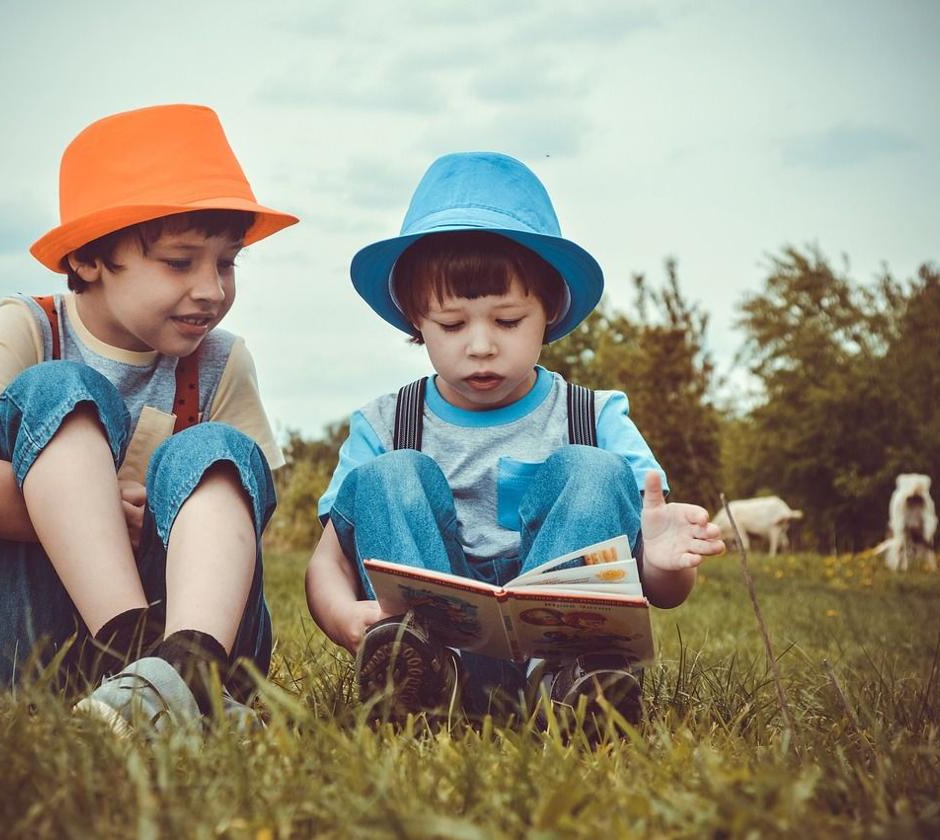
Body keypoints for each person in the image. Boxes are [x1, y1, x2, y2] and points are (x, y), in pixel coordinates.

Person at [304, 151, 725, 728]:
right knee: (389, 475)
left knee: (593, 469)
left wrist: (664, 562)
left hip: (566, 650)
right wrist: (344, 617)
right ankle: (418, 683)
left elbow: (663, 589)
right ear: (414, 319)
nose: (480, 346)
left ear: (549, 310)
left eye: (507, 321)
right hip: (433, 649)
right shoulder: (383, 423)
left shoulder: (595, 416)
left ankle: (573, 689)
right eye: (452, 325)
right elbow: (326, 562)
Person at [0, 104, 297, 734]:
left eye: (227, 262)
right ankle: (145, 665)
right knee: (60, 388)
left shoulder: (222, 360)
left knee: (216, 450)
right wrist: (90, 512)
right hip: (27, 647)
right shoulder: (31, 327)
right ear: (90, 259)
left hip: (189, 622)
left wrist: (177, 512)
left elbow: (250, 503)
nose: (211, 289)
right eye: (181, 262)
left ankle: (187, 667)